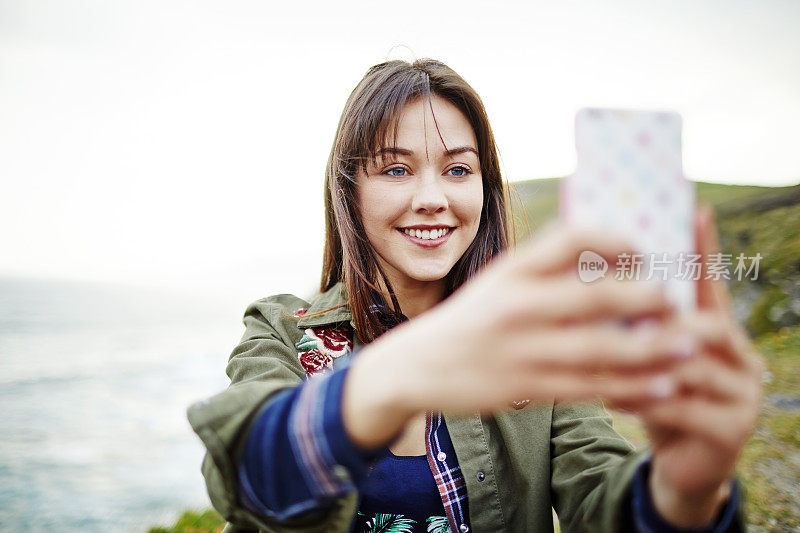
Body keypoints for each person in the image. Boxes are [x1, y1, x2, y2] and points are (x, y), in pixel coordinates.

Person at [187, 59, 764, 533]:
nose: (434, 197)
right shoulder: (284, 328)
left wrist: (685, 494)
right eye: (395, 170)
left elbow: (600, 496)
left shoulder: (543, 345)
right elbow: (246, 476)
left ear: (486, 191)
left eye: (459, 170)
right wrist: (402, 372)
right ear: (349, 191)